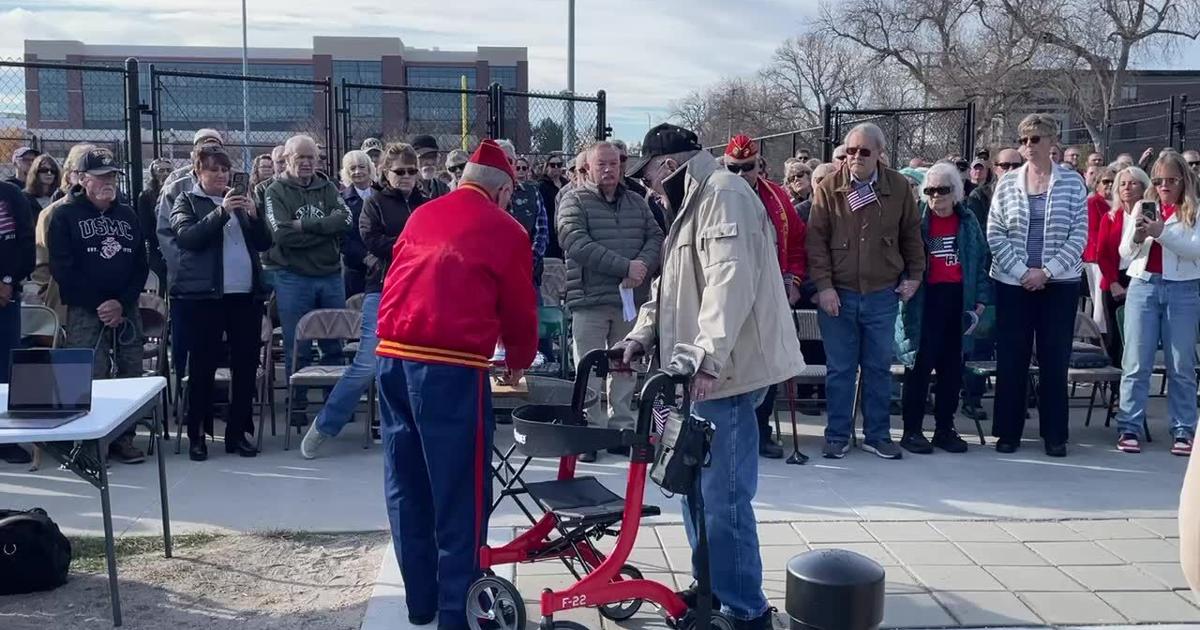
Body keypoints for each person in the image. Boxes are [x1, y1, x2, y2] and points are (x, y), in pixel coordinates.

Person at [617, 123, 803, 630]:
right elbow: (670, 288)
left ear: (667, 164)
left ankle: (746, 610)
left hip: (727, 376)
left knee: (724, 498)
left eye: (649, 175)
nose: (649, 186)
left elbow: (729, 283)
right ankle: (712, 590)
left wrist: (707, 358)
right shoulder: (688, 202)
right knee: (693, 487)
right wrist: (641, 333)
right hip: (694, 374)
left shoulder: (723, 194)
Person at [376, 139, 536, 630]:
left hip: (391, 358)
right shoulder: (506, 228)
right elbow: (519, 308)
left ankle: (420, 602)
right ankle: (457, 612)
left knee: (406, 484)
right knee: (460, 492)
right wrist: (519, 361)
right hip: (449, 366)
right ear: (503, 189)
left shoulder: (422, 214)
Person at [299, 143, 429, 459]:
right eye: (400, 171)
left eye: (412, 171)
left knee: (417, 364)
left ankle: (405, 433)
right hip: (383, 290)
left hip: (421, 291)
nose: (408, 176)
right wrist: (414, 244)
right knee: (367, 364)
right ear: (385, 172)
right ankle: (325, 425)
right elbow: (373, 240)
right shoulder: (374, 203)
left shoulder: (427, 204)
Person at [807, 123, 925, 460]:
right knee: (840, 370)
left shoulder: (900, 187)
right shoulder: (829, 188)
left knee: (877, 369)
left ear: (879, 154)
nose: (856, 158)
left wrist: (915, 276)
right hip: (839, 295)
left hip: (881, 294)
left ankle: (877, 435)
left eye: (864, 152)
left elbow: (912, 236)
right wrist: (825, 288)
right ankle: (837, 435)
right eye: (851, 151)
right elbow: (816, 244)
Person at [986, 114, 1088, 457]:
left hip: (1059, 283)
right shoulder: (1008, 182)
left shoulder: (1072, 182)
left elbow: (1079, 235)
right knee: (1012, 358)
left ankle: (1055, 434)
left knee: (1054, 358)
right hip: (1013, 282)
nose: (1028, 146)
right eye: (1024, 140)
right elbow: (995, 231)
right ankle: (1009, 432)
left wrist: (1046, 271)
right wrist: (1020, 270)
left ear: (1051, 143)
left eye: (1036, 140)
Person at [556, 141, 662, 462]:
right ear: (587, 167)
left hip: (630, 300)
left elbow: (656, 237)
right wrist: (624, 267)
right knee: (589, 368)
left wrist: (641, 269)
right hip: (589, 299)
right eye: (601, 164)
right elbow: (574, 241)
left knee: (625, 367)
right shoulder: (573, 201)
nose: (608, 169)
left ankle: (620, 430)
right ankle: (590, 432)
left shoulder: (637, 202)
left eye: (614, 164)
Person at [170, 145, 272, 461]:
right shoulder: (186, 200)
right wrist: (222, 212)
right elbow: (188, 237)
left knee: (245, 365)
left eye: (225, 169)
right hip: (204, 298)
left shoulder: (242, 202)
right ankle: (198, 434)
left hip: (245, 296)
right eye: (213, 169)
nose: (221, 175)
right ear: (198, 172)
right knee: (203, 366)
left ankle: (238, 433)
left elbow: (265, 242)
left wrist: (254, 218)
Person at [48, 148, 148, 465]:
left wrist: (121, 302)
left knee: (131, 372)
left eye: (112, 176)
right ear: (82, 179)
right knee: (91, 375)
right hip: (85, 309)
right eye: (101, 176)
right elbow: (63, 269)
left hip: (125, 306)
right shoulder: (63, 215)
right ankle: (89, 444)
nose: (109, 182)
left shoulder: (128, 215)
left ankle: (124, 440)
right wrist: (101, 304)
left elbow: (140, 266)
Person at [894, 163, 991, 454]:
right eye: (931, 191)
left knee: (951, 370)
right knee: (919, 367)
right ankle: (912, 430)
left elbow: (981, 261)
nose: (937, 196)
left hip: (958, 301)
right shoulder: (915, 222)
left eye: (944, 190)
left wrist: (982, 301)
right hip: (924, 302)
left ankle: (944, 429)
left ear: (956, 192)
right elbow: (900, 259)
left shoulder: (969, 221)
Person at [724, 134, 807, 458]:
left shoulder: (778, 197)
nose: (742, 175)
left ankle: (760, 431)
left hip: (770, 292)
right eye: (735, 168)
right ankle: (729, 433)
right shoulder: (715, 196)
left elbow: (798, 242)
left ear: (759, 165)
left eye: (748, 167)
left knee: (768, 366)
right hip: (730, 295)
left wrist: (794, 281)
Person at [1114, 151, 1200, 456]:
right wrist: (1138, 235)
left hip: (1183, 289)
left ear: (1183, 181)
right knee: (1136, 361)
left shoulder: (1194, 210)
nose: (1164, 186)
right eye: (1159, 180)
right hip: (1143, 285)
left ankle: (1183, 429)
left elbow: (1194, 251)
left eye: (1171, 180)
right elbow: (1125, 252)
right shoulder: (1143, 206)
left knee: (1182, 364)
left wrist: (1160, 232)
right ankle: (1129, 426)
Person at [263, 134, 352, 425]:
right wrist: (325, 233)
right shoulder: (275, 191)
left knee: (333, 344)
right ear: (286, 159)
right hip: (292, 277)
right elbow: (282, 235)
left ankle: (332, 409)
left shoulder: (327, 187)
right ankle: (297, 406)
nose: (306, 163)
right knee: (297, 344)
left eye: (311, 157)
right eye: (300, 157)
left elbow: (346, 221)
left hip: (329, 275)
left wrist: (306, 226)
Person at [1096, 166, 1149, 366]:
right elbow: (1102, 254)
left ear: (1144, 187)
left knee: (1136, 338)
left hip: (1140, 279)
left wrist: (1132, 285)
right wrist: (1113, 283)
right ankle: (1116, 388)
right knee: (1114, 339)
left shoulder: (1149, 215)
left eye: (1133, 183)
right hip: (1113, 280)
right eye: (1123, 184)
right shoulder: (1110, 217)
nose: (1127, 188)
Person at [0, 179, 36, 465]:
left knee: (5, 369)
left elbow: (26, 246)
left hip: (6, 296)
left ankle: (6, 439)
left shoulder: (11, 195)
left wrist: (8, 281)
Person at [496, 140, 550, 290]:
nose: (504, 164)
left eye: (509, 160)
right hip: (493, 278)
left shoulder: (532, 193)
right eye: (498, 159)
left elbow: (542, 233)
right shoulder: (482, 195)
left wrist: (526, 264)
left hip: (528, 277)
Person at [338, 150, 378, 298]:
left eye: (361, 167)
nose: (357, 171)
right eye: (352, 168)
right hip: (354, 269)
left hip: (381, 266)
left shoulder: (383, 195)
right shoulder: (340, 200)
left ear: (369, 168)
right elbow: (341, 237)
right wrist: (365, 256)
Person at [1083, 167, 1115, 335]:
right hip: (1097, 257)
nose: (1109, 185)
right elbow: (1093, 232)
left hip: (1117, 257)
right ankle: (1100, 336)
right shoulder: (1093, 202)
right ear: (1097, 184)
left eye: (1112, 181)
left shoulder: (1118, 204)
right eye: (1105, 181)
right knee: (1100, 301)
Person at [137, 158, 172, 284]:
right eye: (161, 170)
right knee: (159, 281)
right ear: (153, 174)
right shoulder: (146, 196)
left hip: (175, 242)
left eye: (169, 170)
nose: (165, 174)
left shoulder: (178, 193)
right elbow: (146, 227)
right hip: (156, 245)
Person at [538, 150, 569, 259]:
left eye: (559, 165)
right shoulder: (542, 186)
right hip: (549, 227)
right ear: (547, 167)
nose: (556, 167)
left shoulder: (567, 185)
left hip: (565, 226)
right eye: (552, 165)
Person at [410, 134, 450, 200]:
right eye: (423, 157)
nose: (429, 162)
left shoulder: (443, 188)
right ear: (413, 160)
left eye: (433, 157)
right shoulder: (407, 189)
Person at [23, 154, 60, 220]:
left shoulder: (60, 196)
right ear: (35, 172)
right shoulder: (24, 197)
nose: (49, 173)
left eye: (53, 171)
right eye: (44, 170)